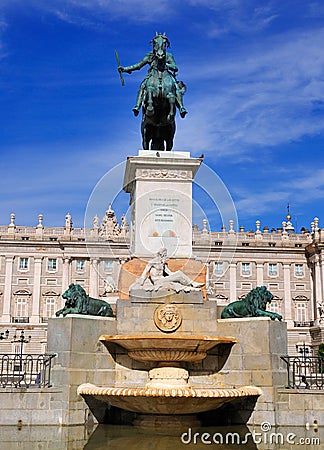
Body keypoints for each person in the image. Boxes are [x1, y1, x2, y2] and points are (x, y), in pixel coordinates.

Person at [119, 33, 188, 118]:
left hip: (166, 74)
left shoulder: (169, 56)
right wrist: (125, 69)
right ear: (154, 45)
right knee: (143, 86)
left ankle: (181, 107)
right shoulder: (150, 56)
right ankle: (137, 106)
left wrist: (168, 65)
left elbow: (175, 67)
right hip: (152, 74)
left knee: (176, 87)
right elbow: (138, 65)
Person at [132, 248, 204, 293]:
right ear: (162, 255)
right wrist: (141, 282)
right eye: (165, 255)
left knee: (176, 284)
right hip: (157, 281)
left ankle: (193, 288)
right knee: (179, 274)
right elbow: (145, 272)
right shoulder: (153, 262)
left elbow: (170, 273)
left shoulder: (163, 264)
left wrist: (176, 275)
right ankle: (193, 283)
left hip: (163, 280)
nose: (166, 256)